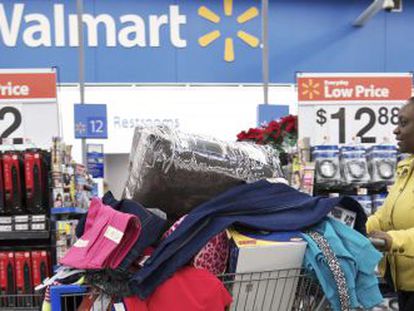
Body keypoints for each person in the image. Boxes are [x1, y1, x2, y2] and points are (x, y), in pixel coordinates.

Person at [366, 96, 414, 311]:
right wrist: (352, 227)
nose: (396, 130)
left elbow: (391, 235)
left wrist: (392, 240)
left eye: (403, 123)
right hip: (405, 288)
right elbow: (383, 217)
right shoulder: (407, 169)